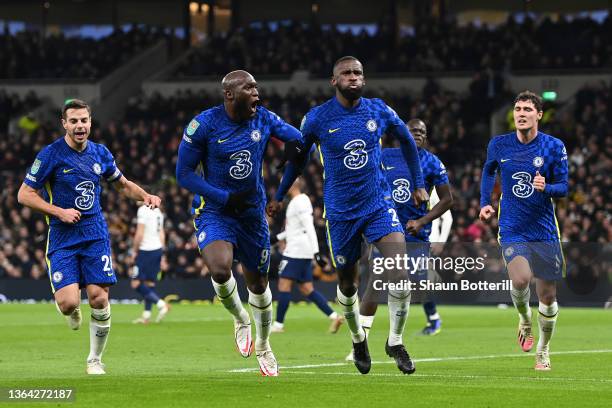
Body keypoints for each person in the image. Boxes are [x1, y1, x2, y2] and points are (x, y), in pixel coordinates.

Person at [268, 56, 428, 375]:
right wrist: (279, 195)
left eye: (358, 73)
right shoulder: (316, 118)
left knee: (400, 272)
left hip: (378, 205)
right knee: (348, 283)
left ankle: (395, 341)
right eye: (346, 73)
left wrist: (419, 184)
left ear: (363, 79)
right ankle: (358, 339)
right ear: (334, 81)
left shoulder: (379, 110)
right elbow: (297, 161)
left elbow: (408, 142)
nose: (353, 77)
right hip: (341, 213)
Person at [17, 99, 161, 375]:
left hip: (95, 234)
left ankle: (94, 359)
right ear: (64, 124)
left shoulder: (100, 153)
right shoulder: (50, 155)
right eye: (74, 121)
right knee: (68, 303)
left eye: (84, 120)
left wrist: (144, 196)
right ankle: (72, 311)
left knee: (98, 298)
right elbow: (24, 194)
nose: (80, 126)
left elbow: (122, 185)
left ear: (90, 122)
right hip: (62, 236)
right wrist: (58, 211)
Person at [175, 70, 303, 377]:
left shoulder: (263, 118)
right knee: (220, 269)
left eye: (257, 88)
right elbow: (184, 173)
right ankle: (240, 318)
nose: (257, 94)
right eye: (250, 88)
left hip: (252, 214)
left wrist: (292, 154)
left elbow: (299, 141)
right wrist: (222, 197)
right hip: (215, 210)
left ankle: (264, 344)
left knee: (258, 285)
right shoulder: (204, 124)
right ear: (230, 95)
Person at [346, 119, 453, 361]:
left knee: (410, 286)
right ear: (403, 132)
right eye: (413, 130)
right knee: (375, 286)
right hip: (385, 230)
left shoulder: (433, 162)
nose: (418, 134)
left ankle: (399, 337)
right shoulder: (385, 156)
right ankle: (360, 345)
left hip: (416, 237)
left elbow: (448, 200)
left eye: (422, 132)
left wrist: (423, 222)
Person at [480, 91, 568, 371]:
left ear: (538, 115)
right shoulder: (499, 145)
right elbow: (488, 171)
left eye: (527, 109)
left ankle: (543, 348)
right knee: (520, 280)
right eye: (517, 108)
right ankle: (524, 318)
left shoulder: (553, 147)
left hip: (543, 229)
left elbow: (564, 187)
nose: (521, 113)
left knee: (549, 296)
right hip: (512, 226)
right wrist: (485, 203)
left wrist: (548, 188)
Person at [270, 177, 344, 334]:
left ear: (290, 186)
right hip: (301, 248)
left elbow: (309, 227)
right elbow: (296, 229)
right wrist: (277, 238)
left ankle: (278, 325)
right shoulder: (296, 202)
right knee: (307, 288)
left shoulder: (301, 202)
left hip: (296, 250)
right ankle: (334, 316)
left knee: (284, 285)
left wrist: (316, 253)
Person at [128, 203, 170, 324]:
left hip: (145, 250)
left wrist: (134, 251)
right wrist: (162, 254)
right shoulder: (158, 211)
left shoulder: (142, 210)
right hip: (157, 249)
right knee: (149, 284)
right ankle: (146, 316)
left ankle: (162, 305)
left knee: (136, 283)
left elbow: (140, 233)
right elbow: (162, 233)